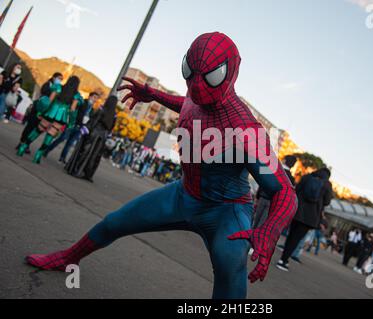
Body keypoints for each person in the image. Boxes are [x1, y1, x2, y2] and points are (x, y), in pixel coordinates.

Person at [24, 32, 298, 299]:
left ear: (232, 72)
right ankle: (68, 258)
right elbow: (189, 104)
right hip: (184, 195)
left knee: (230, 265)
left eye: (210, 77)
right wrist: (154, 95)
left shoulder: (246, 131)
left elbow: (285, 191)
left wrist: (270, 231)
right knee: (114, 222)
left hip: (226, 211)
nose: (197, 86)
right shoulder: (198, 96)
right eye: (190, 72)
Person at [17, 76, 84, 164]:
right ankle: (38, 155)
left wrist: (41, 112)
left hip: (50, 112)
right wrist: (71, 122)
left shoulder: (59, 88)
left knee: (37, 130)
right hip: (61, 116)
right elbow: (72, 109)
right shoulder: (76, 95)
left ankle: (23, 147)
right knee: (50, 135)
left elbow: (49, 100)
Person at [277, 167, 332, 271]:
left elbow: (296, 190)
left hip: (297, 211)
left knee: (291, 235)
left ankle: (283, 257)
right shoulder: (327, 185)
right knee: (297, 239)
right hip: (311, 217)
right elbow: (327, 202)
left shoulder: (307, 177)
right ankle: (283, 260)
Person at [65, 96, 117, 182]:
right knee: (95, 156)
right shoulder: (114, 115)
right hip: (102, 137)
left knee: (85, 152)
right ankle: (88, 174)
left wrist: (87, 128)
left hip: (94, 133)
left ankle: (77, 170)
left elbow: (94, 120)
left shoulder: (101, 109)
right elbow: (111, 128)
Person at [45, 91, 100, 163]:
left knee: (70, 143)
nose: (95, 100)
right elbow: (73, 109)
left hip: (80, 127)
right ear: (90, 96)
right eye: (94, 97)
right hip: (73, 124)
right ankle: (46, 150)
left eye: (96, 99)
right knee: (61, 138)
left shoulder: (92, 109)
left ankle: (62, 158)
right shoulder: (82, 102)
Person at [16, 72, 64, 154]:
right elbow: (44, 93)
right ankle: (21, 142)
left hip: (45, 111)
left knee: (36, 128)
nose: (59, 80)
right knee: (30, 126)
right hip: (37, 108)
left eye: (61, 79)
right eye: (58, 78)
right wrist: (53, 90)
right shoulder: (47, 85)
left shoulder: (57, 89)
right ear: (53, 77)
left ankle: (27, 145)